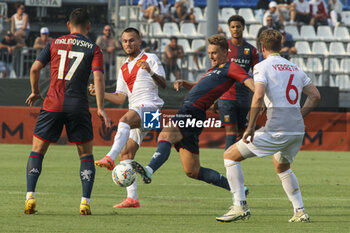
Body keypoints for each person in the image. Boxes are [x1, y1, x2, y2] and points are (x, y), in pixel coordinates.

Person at [216, 29, 321, 223]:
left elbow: (258, 95)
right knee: (282, 166)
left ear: (261, 47)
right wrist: (300, 115)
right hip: (297, 129)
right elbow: (315, 95)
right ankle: (300, 211)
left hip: (277, 129)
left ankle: (240, 205)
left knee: (230, 156)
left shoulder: (262, 67)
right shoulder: (294, 67)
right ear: (280, 46)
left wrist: (250, 127)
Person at [131, 35, 255, 197]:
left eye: (215, 53)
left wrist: (261, 98)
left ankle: (148, 170)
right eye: (209, 52)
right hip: (193, 112)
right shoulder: (214, 69)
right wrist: (185, 83)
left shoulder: (231, 67)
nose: (211, 56)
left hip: (192, 111)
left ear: (225, 52)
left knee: (165, 135)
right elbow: (202, 87)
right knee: (192, 170)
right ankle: (238, 189)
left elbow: (250, 82)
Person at [24, 8, 111, 215]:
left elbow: (34, 68)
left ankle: (30, 196)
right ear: (89, 26)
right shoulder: (93, 48)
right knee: (86, 154)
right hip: (78, 106)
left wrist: (36, 92)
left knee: (37, 151)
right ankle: (85, 202)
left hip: (52, 103)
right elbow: (98, 78)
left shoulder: (54, 43)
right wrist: (100, 107)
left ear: (68, 25)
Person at [92, 27, 166, 208]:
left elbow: (164, 84)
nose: (128, 44)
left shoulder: (151, 58)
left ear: (140, 40)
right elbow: (119, 97)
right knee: (126, 154)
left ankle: (109, 157)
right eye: (125, 41)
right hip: (138, 111)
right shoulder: (123, 67)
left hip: (151, 108)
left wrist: (150, 71)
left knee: (124, 120)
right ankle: (132, 198)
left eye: (132, 40)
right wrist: (100, 93)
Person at [218, 15, 259, 151]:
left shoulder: (251, 50)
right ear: (229, 29)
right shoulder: (224, 48)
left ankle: (234, 167)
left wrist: (262, 97)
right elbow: (216, 73)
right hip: (226, 97)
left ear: (243, 28)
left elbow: (257, 75)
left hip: (243, 97)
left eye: (238, 26)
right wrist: (213, 98)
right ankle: (227, 164)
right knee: (230, 134)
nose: (236, 29)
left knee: (241, 136)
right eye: (233, 27)